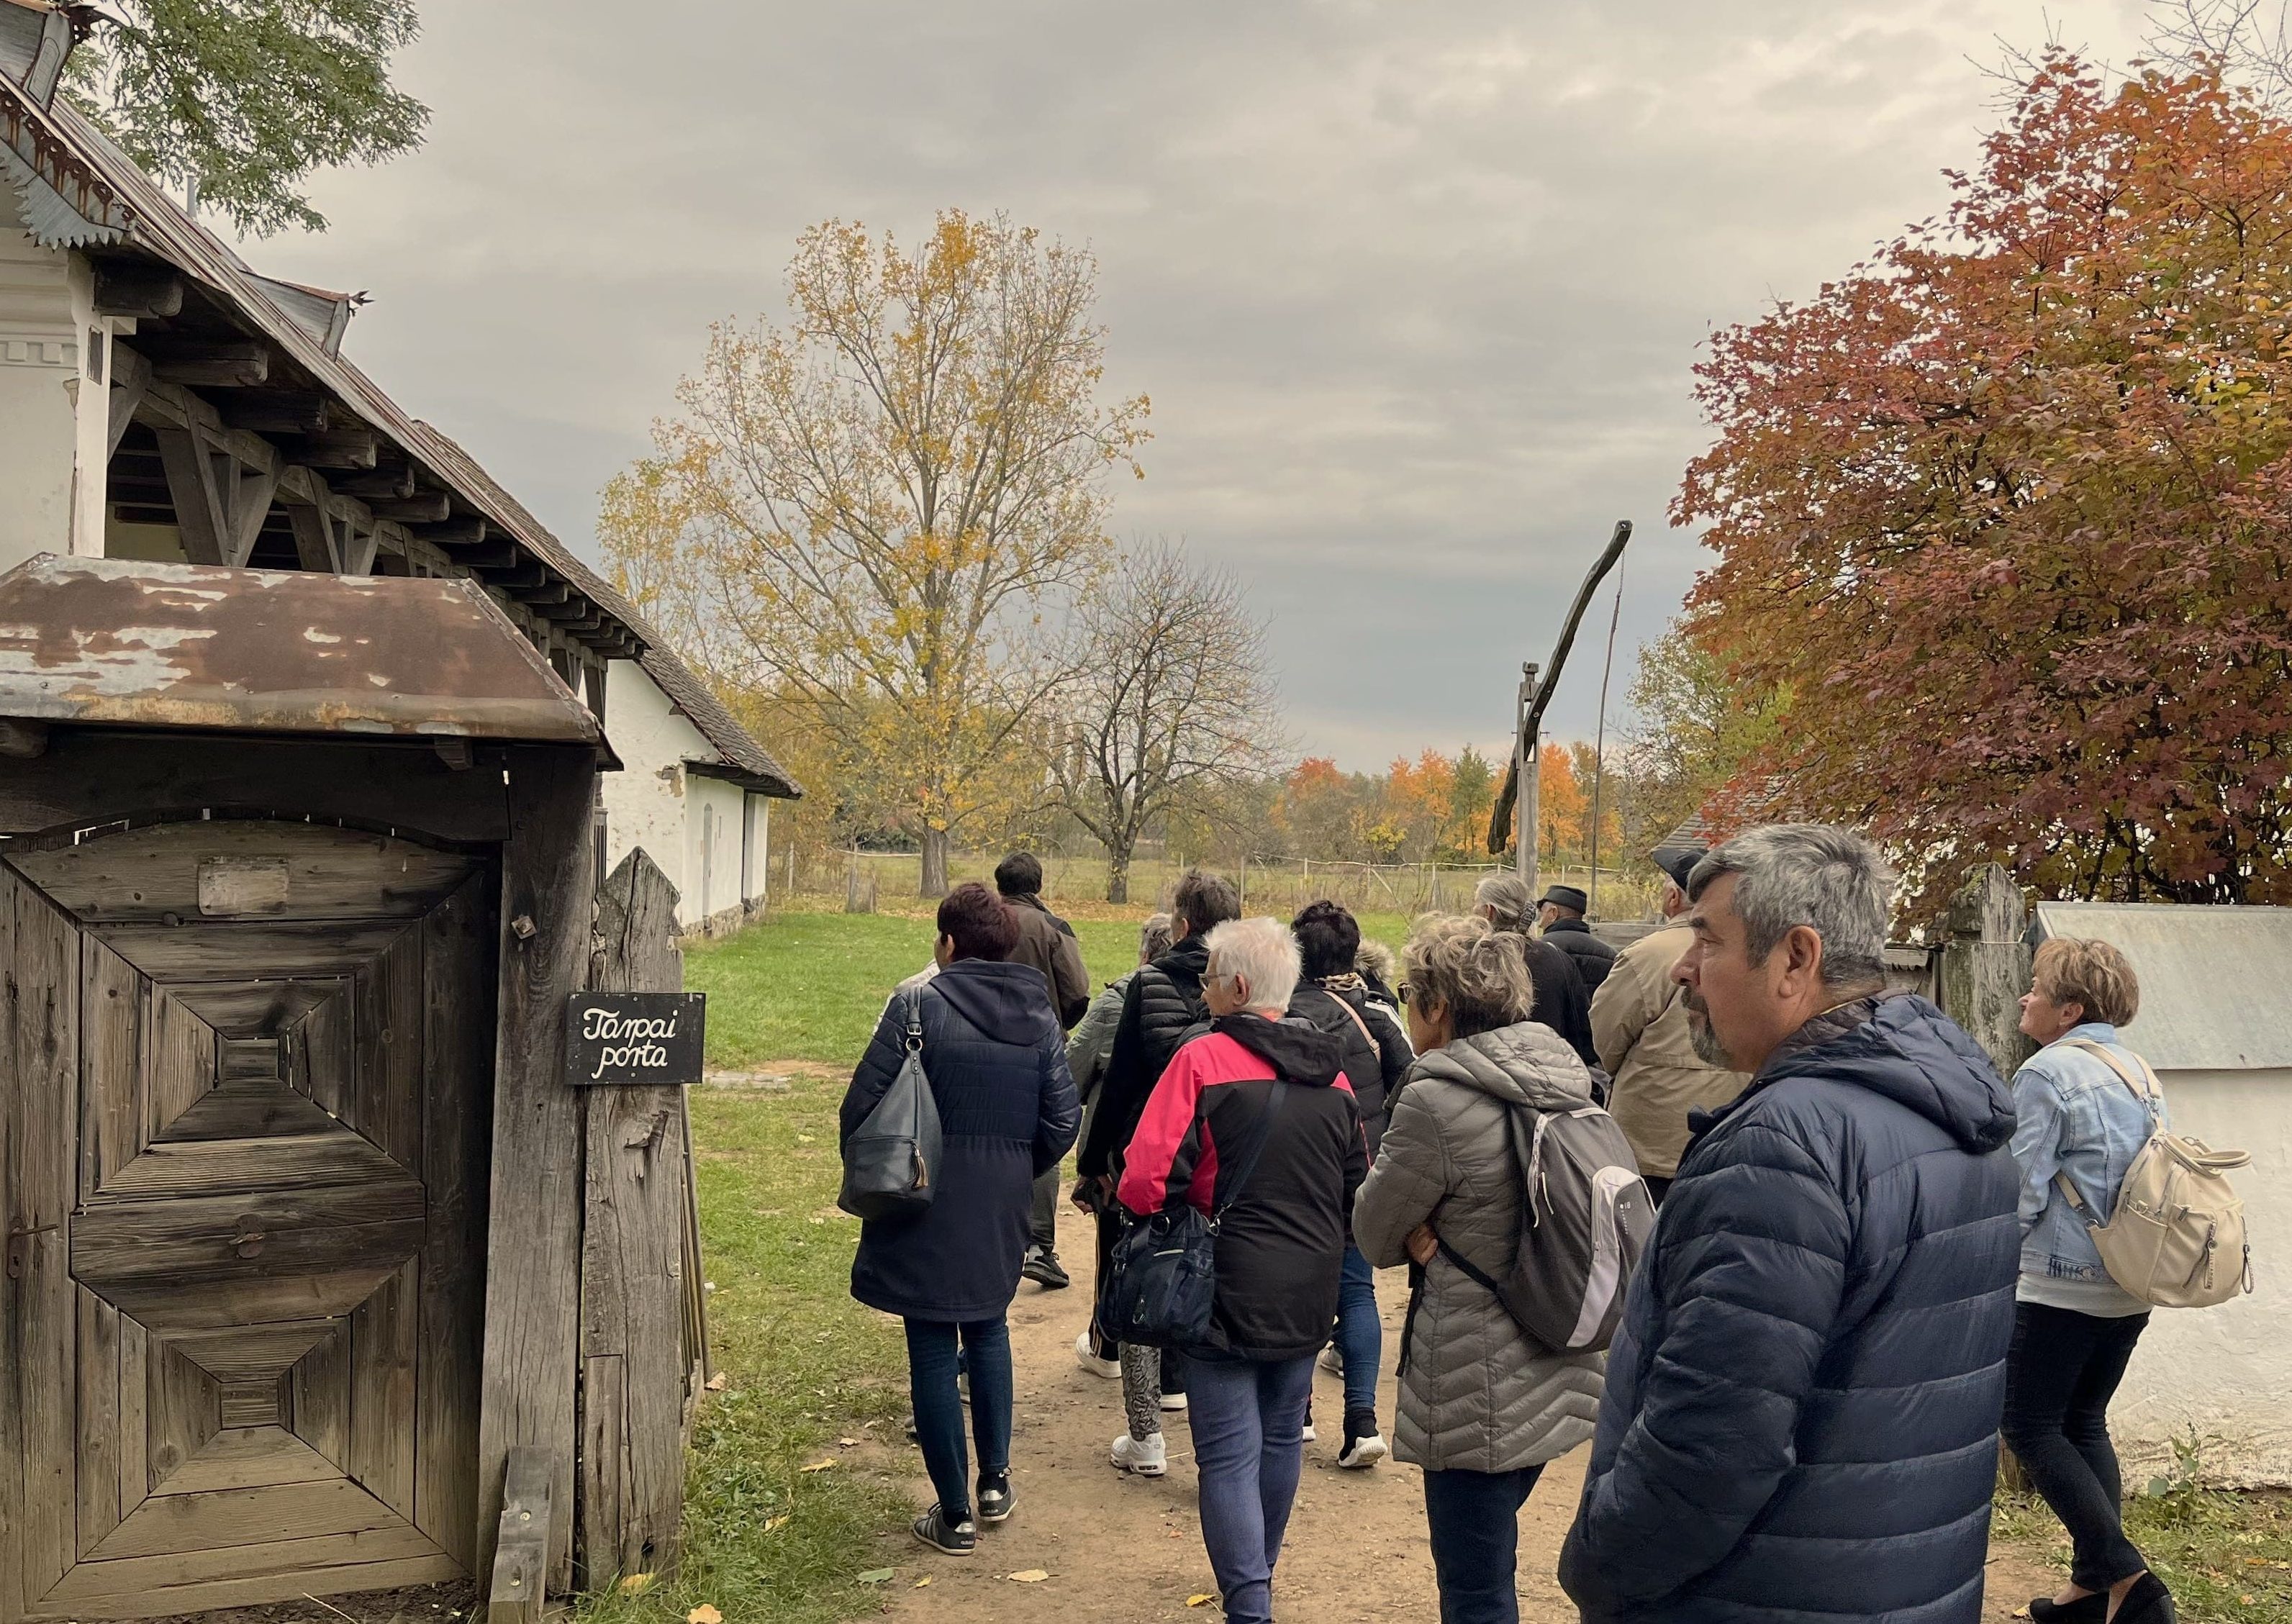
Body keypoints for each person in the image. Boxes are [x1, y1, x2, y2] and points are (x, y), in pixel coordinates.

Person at [1559, 824, 2021, 1623]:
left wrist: (1596, 1567)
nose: (1681, 967)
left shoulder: (1781, 1149)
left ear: (1795, 959)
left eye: (1706, 939)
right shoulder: (1951, 1114)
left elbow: (1707, 1451)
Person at [1354, 915, 1604, 1624]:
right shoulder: (1560, 1074)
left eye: (1409, 992)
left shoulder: (1434, 1098)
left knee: (1474, 1591)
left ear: (1435, 1006)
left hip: (1476, 1380)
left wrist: (1414, 1233)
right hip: (1557, 1353)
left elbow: (1372, 1231)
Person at [1118, 917, 1368, 1624]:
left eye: (1204, 978)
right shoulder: (1337, 1074)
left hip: (1220, 1277)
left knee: (1227, 1451)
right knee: (1282, 1433)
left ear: (1233, 986)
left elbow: (1143, 1179)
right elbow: (1359, 1184)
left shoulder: (1199, 1061)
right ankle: (1258, 1575)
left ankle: (1249, 1604)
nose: (1199, 990)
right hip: (1310, 1279)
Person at [840, 883, 1080, 1557]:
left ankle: (954, 1514)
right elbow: (1064, 1118)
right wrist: (1011, 1165)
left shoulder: (915, 1004)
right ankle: (996, 1482)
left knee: (929, 1347)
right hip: (1000, 1202)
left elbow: (860, 1106)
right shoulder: (1038, 1017)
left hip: (922, 1196)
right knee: (988, 1329)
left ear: (948, 943)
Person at [2002, 938, 2176, 1624]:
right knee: (2082, 1419)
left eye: (2038, 987)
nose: (2026, 995)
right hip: (2130, 1278)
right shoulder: (2138, 1070)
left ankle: (2129, 1579)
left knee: (2028, 1422)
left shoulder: (2049, 1072)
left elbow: (2021, 1188)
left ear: (2069, 1008)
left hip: (2059, 1282)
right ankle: (2091, 1591)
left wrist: (1985, 1263)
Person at [1075, 868, 1242, 1472]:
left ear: (1181, 921)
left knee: (1145, 1277)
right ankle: (1207, 1428)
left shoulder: (1147, 983)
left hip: (1149, 1152)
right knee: (1208, 1288)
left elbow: (1117, 1084)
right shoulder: (1249, 986)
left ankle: (1145, 1435)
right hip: (1220, 1158)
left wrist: (1095, 1163)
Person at [1290, 900, 1411, 1469]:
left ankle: (1299, 1412)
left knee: (1294, 1290)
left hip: (1292, 1173)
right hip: (1357, 1172)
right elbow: (1409, 1087)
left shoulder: (1280, 1012)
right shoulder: (1378, 1017)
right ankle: (1362, 1421)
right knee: (1356, 1289)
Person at [1588, 846, 1749, 1205]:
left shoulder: (1644, 955)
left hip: (1650, 1138)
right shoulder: (1744, 951)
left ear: (1674, 896)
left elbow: (1607, 1037)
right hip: (1728, 1130)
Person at [995, 852, 1092, 1292]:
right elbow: (1077, 993)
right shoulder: (1053, 929)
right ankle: (1039, 1245)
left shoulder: (980, 922)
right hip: (1038, 1045)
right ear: (1037, 885)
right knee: (1044, 1139)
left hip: (977, 1038)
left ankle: (992, 1236)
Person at [1471, 874, 1598, 1068]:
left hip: (1480, 1079)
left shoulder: (1467, 963)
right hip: (1550, 1078)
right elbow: (1582, 1037)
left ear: (1488, 912)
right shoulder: (1557, 960)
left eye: (1476, 905)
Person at [1536, 883, 1617, 992]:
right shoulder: (1610, 955)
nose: (1540, 923)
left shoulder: (1537, 950)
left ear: (1554, 913)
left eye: (1542, 913)